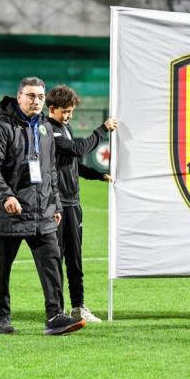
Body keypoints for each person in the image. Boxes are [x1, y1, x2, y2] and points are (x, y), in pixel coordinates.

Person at [0, 77, 86, 335]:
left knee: (52, 265)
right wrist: (7, 196)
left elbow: (50, 170)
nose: (36, 101)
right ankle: (2, 318)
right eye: (30, 96)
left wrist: (58, 205)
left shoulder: (45, 128)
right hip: (9, 213)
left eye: (40, 96)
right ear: (19, 97)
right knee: (1, 269)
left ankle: (55, 316)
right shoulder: (0, 127)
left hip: (43, 212)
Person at [46, 85, 118, 323]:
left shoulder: (65, 128)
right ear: (52, 108)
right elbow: (77, 150)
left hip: (73, 204)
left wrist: (97, 175)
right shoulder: (48, 131)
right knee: (57, 259)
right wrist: (102, 130)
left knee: (75, 259)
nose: (68, 116)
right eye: (65, 111)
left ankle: (78, 307)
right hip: (56, 205)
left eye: (71, 112)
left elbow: (72, 165)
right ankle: (58, 311)